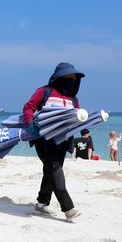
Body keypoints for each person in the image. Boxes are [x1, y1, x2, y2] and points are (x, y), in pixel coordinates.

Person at [24, 62, 84, 221]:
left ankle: (41, 204)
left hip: (62, 141)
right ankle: (68, 208)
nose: (72, 79)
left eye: (74, 77)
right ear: (59, 77)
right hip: (44, 139)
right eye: (68, 76)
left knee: (51, 171)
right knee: (55, 169)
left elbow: (75, 118)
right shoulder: (45, 92)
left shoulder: (73, 99)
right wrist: (31, 125)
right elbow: (28, 107)